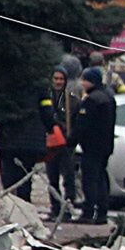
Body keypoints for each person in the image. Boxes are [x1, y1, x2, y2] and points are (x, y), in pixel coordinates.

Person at [71, 65, 117, 224]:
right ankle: (102, 212)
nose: (82, 83)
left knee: (90, 179)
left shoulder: (92, 100)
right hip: (105, 146)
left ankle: (88, 212)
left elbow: (82, 125)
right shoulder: (108, 97)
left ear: (92, 81)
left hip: (92, 146)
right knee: (101, 178)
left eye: (85, 80)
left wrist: (71, 141)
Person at [39, 64, 80, 217]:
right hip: (50, 144)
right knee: (52, 178)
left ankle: (68, 208)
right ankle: (55, 208)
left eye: (61, 79)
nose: (58, 82)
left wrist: (71, 139)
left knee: (68, 178)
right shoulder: (47, 98)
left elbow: (76, 122)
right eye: (55, 78)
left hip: (66, 145)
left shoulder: (72, 101)